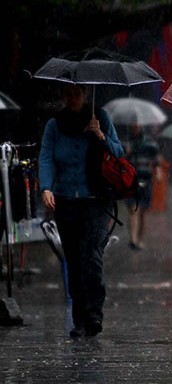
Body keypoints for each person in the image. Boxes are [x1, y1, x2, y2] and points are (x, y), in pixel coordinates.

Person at [38, 83, 124, 338]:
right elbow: (46, 157)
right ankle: (79, 319)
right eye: (69, 94)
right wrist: (46, 187)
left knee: (92, 255)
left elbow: (119, 152)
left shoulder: (101, 117)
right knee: (74, 260)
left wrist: (100, 135)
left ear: (85, 94)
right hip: (66, 202)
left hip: (96, 201)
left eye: (78, 93)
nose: (73, 99)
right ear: (63, 97)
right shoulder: (55, 125)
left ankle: (94, 313)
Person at [124, 124, 160, 250]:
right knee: (134, 209)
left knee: (143, 212)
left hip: (146, 180)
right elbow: (121, 159)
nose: (135, 128)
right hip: (131, 180)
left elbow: (155, 159)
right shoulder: (127, 142)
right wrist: (127, 152)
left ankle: (139, 239)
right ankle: (133, 239)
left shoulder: (149, 143)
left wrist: (157, 170)